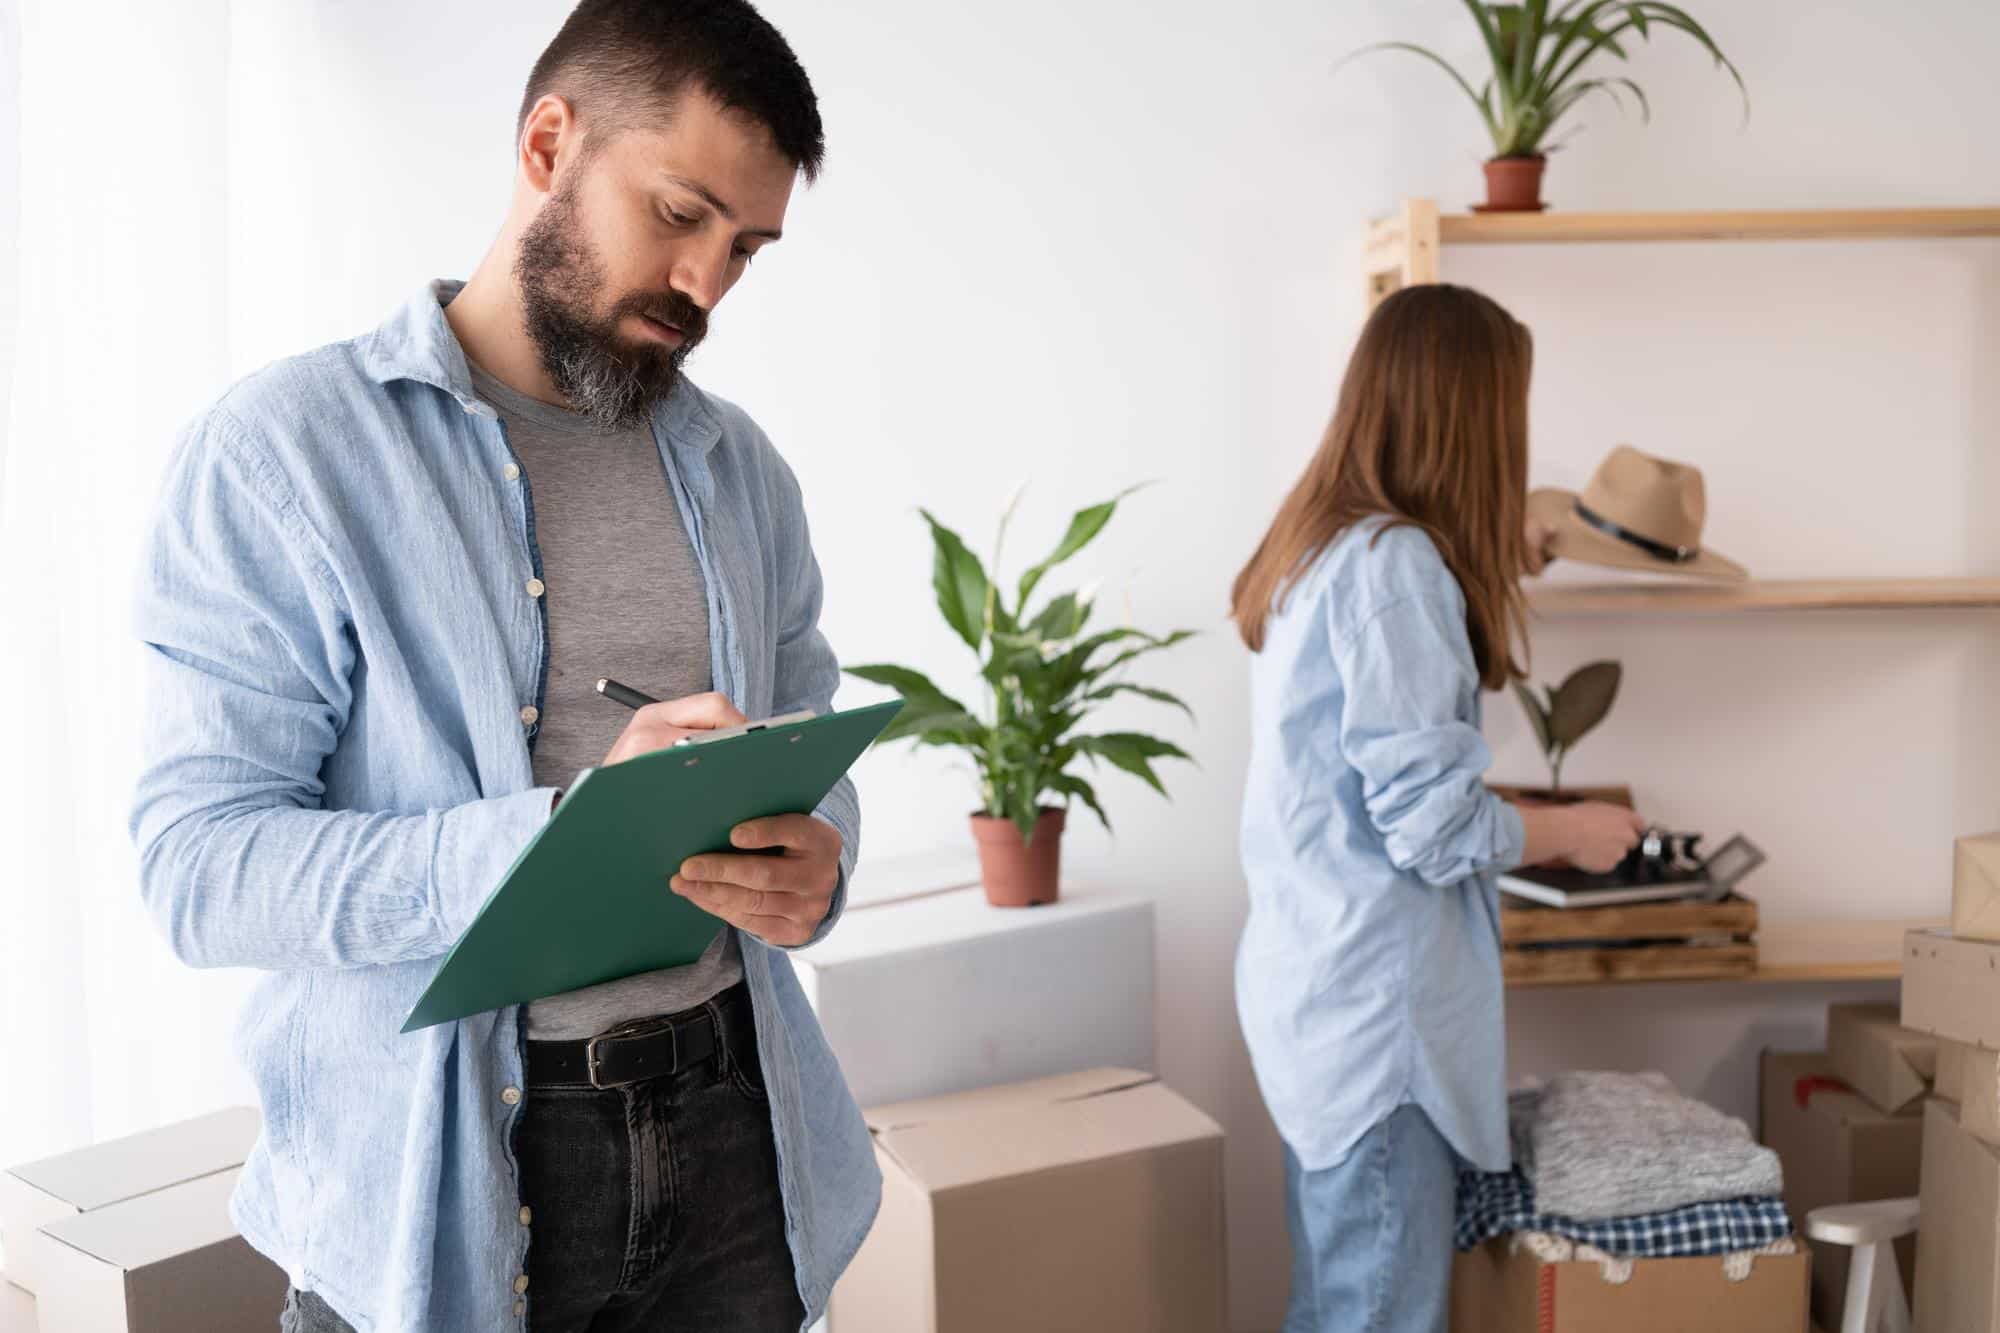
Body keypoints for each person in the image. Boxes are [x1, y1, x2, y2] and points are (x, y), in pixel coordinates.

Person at [126, 3, 877, 1329]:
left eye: (745, 248)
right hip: (449, 1179)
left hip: (732, 1134)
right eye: (681, 214)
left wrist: (816, 860)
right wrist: (550, 847)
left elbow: (805, 741)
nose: (707, 284)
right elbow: (199, 868)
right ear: (549, 144)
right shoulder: (283, 453)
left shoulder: (740, 469)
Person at [1228, 284, 1648, 1333]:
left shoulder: (1322, 549)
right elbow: (1427, 828)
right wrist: (1573, 831)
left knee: (1334, 1302)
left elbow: (1367, 784)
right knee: (1375, 1313)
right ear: (1470, 414)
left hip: (1317, 996)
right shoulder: (1395, 569)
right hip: (1378, 1025)